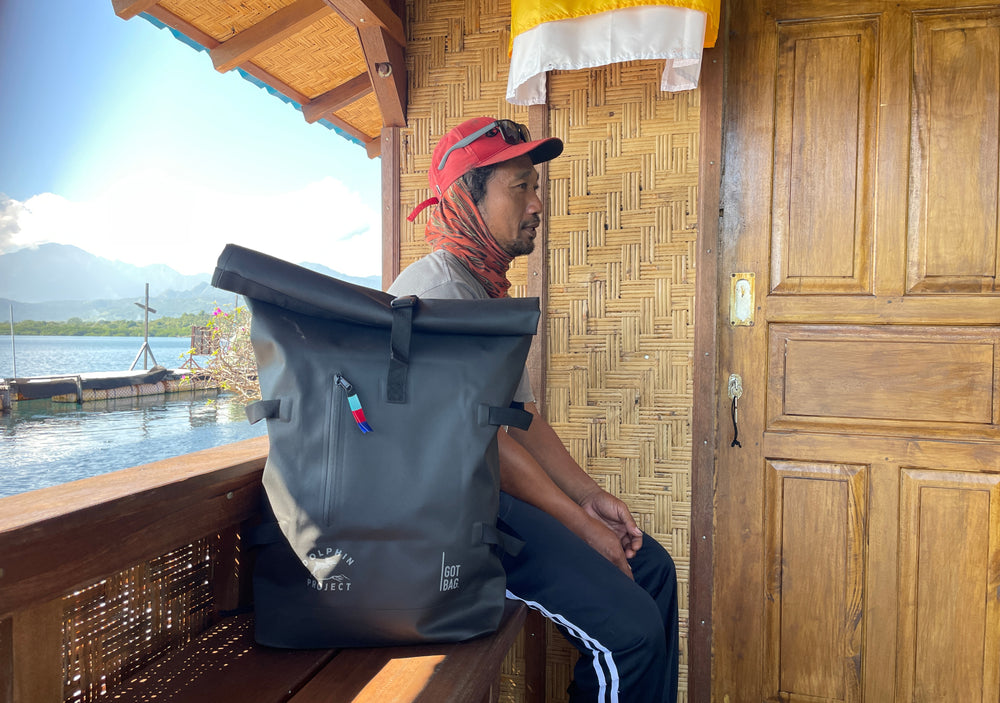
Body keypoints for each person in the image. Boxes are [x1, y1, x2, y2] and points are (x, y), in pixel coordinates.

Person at [389, 116, 679, 703]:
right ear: (466, 197)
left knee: (654, 568)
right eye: (520, 186)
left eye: (535, 186)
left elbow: (520, 419)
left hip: (492, 504)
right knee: (631, 633)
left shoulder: (482, 290)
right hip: (451, 526)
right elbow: (481, 440)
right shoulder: (434, 292)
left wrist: (589, 496)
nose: (537, 203)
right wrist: (581, 527)